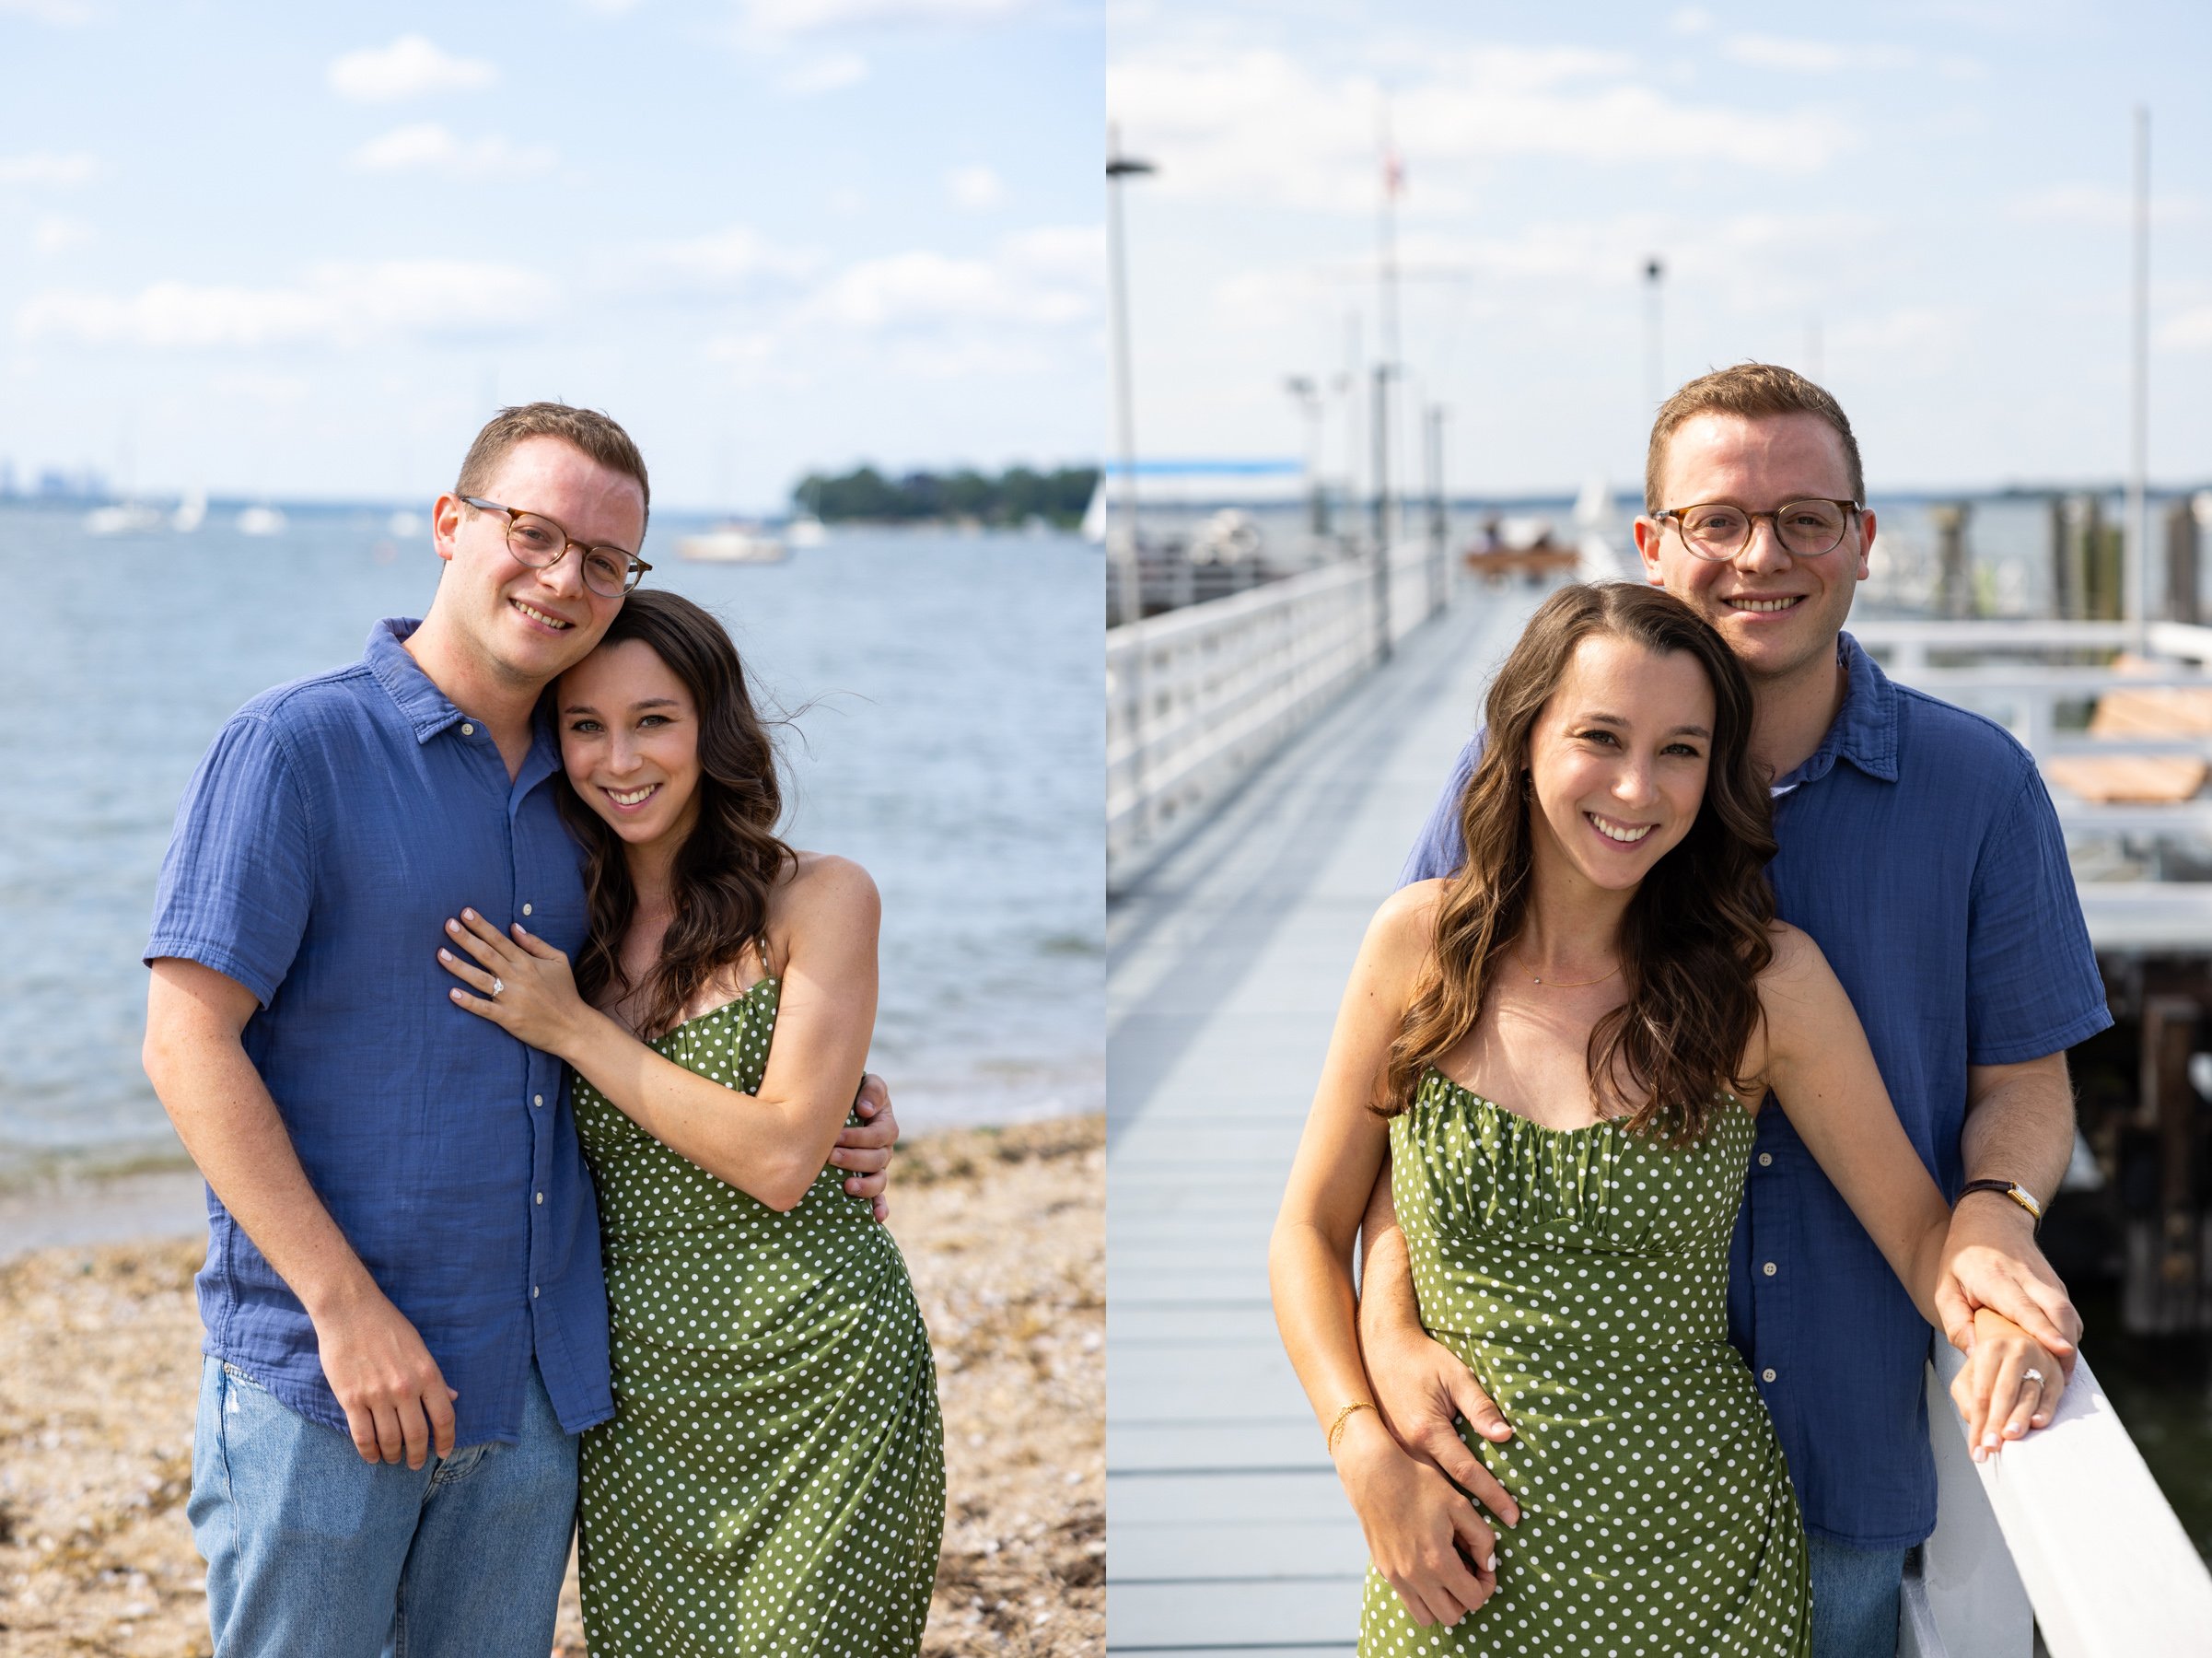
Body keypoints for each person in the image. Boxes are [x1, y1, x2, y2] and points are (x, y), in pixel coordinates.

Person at [1361, 364, 2109, 1657]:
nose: (1760, 554)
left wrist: (1998, 1222)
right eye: (1716, 520)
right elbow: (1418, 1092)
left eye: (1806, 517)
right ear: (1652, 546)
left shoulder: (1976, 787)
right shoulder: (1523, 781)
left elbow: (2026, 1079)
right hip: (1521, 1478)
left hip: (1837, 1455)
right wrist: (1379, 1348)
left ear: (1862, 543)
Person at [140, 403, 901, 1657]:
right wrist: (346, 1310)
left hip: (538, 1397)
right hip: (325, 1379)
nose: (564, 579)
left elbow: (695, 985)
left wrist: (846, 1097)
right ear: (451, 525)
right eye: (533, 534)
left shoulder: (591, 792)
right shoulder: (295, 747)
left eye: (605, 560)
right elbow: (184, 1046)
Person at [435, 589, 944, 1654]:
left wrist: (575, 1032)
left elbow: (777, 1158)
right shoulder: (557, 925)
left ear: (712, 732)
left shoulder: (818, 898)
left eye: (653, 720)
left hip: (821, 1378)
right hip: (636, 1402)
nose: (619, 758)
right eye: (585, 726)